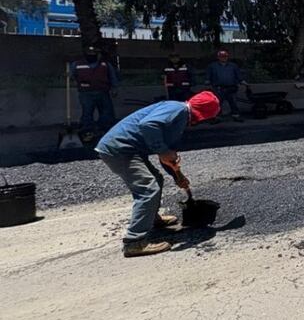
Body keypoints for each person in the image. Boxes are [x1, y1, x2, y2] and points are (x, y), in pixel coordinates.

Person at [95, 91, 220, 257]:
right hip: (119, 150)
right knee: (148, 189)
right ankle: (134, 242)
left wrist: (177, 176)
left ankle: (152, 218)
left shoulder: (180, 118)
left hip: (130, 150)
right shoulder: (178, 109)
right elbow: (148, 125)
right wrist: (162, 150)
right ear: (202, 114)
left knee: (156, 179)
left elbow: (167, 157)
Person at [70, 43, 119, 139]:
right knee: (87, 113)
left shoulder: (105, 64)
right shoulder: (77, 64)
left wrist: (114, 88)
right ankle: (87, 133)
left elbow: (112, 77)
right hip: (86, 93)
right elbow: (72, 77)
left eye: (94, 53)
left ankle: (105, 132)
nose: (91, 55)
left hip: (103, 92)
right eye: (89, 53)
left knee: (106, 113)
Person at [206, 49, 246, 121]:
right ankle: (216, 118)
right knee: (217, 104)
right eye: (221, 56)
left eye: (225, 56)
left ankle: (236, 116)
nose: (223, 57)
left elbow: (239, 76)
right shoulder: (213, 66)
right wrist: (207, 81)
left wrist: (243, 82)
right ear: (218, 57)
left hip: (231, 88)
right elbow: (208, 76)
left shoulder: (233, 66)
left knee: (233, 102)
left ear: (227, 57)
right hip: (218, 89)